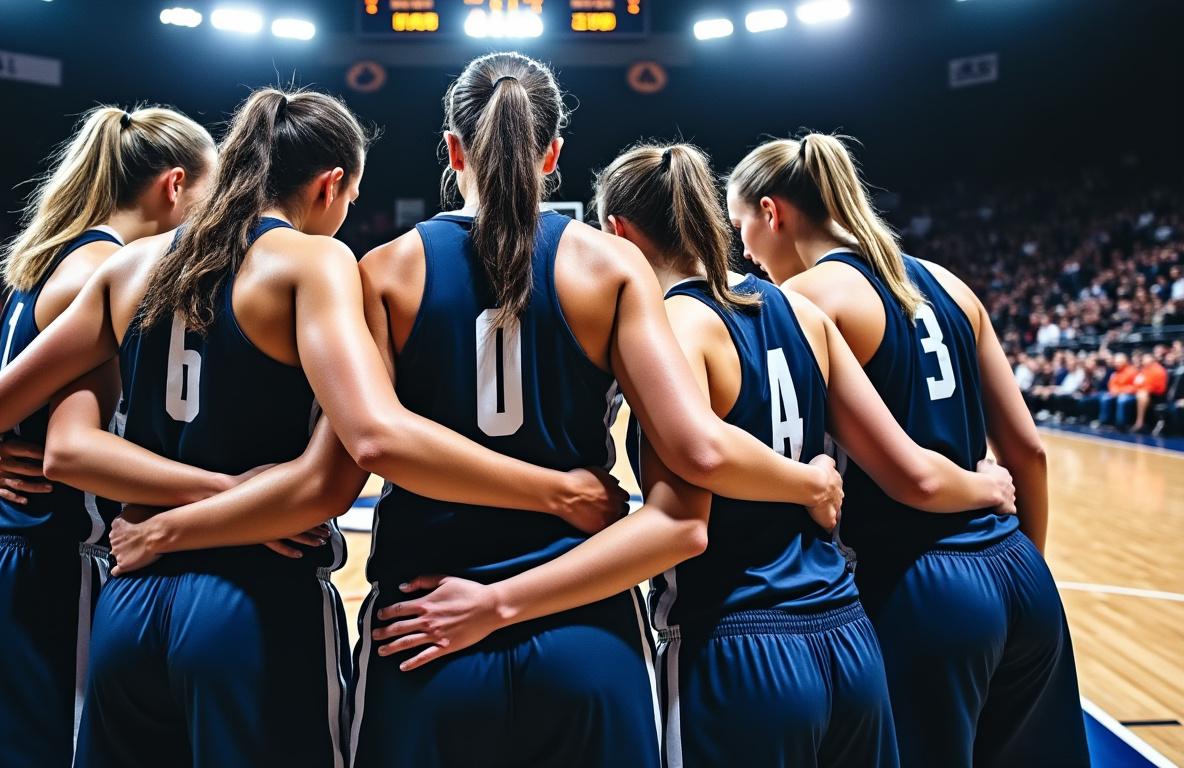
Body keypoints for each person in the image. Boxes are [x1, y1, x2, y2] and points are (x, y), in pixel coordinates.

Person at [0, 86, 628, 767]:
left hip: (128, 605)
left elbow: (15, 423)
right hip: (252, 600)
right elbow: (338, 471)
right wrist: (236, 495)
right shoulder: (314, 262)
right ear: (331, 185)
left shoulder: (128, 264)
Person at [349, 54, 847, 768]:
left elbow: (372, 443)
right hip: (588, 629)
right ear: (554, 152)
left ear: (454, 149)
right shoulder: (613, 269)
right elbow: (682, 518)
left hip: (422, 630)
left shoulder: (383, 270)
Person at [569, 142, 1013, 767]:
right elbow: (901, 458)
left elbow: (693, 477)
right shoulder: (803, 310)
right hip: (848, 637)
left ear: (618, 234)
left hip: (736, 640)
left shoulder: (671, 328)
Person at [726, 132, 1089, 766]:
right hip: (1020, 573)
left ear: (771, 212)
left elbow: (907, 480)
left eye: (740, 228)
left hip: (918, 580)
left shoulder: (808, 300)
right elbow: (1028, 451)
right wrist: (1018, 563)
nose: (747, 253)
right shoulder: (950, 284)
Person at [0, 104, 216, 766]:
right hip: (38, 569)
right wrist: (229, 493)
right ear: (174, 186)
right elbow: (44, 437)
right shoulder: (100, 276)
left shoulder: (45, 267)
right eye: (209, 193)